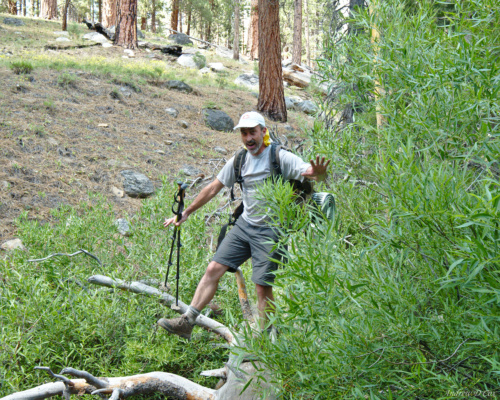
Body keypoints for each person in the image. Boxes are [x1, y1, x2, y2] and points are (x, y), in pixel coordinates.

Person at [158, 111, 330, 339]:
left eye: (253, 132)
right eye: (244, 133)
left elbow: (308, 172)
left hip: (272, 231)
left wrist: (319, 173)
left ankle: (268, 338)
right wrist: (186, 212)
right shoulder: (239, 160)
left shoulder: (280, 157)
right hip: (245, 225)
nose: (248, 138)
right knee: (213, 270)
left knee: (262, 287)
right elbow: (212, 188)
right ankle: (187, 322)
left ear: (263, 132)